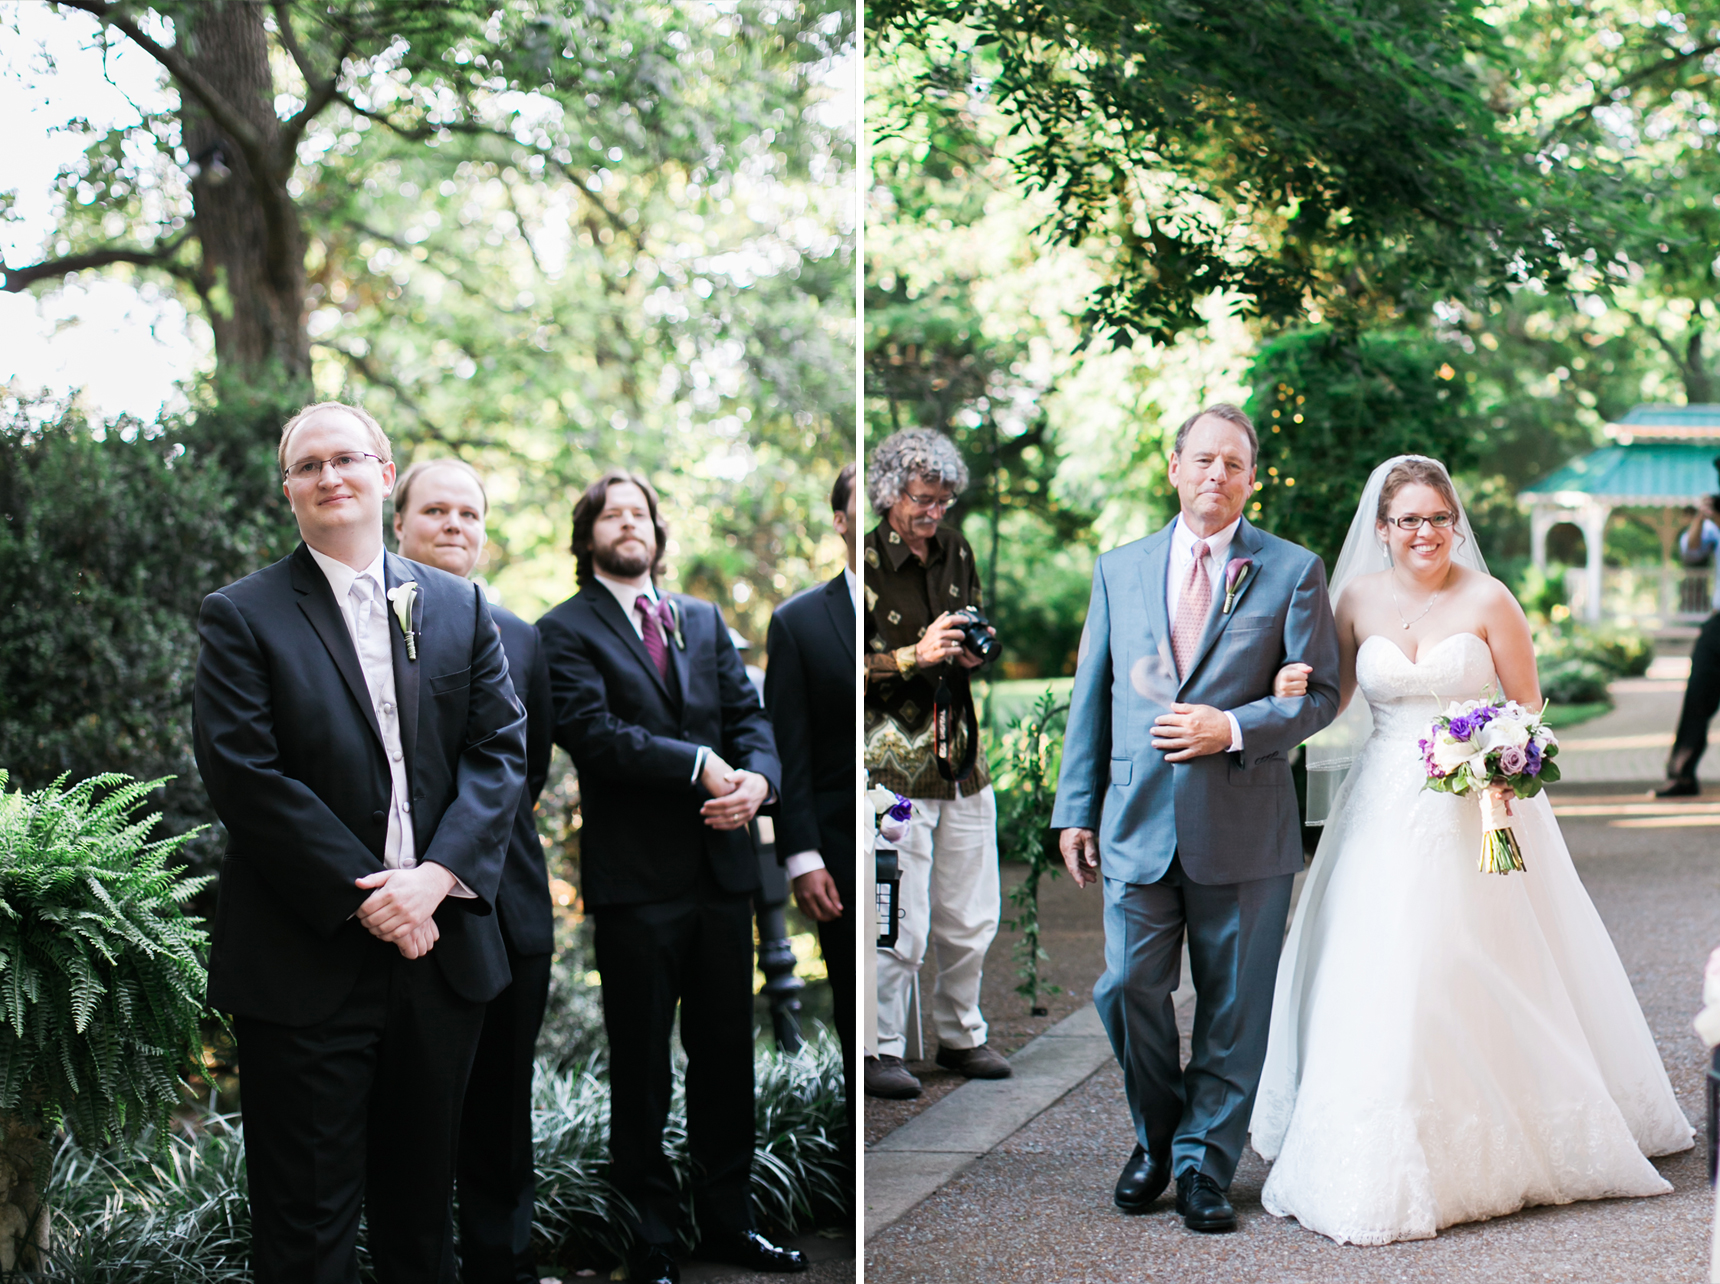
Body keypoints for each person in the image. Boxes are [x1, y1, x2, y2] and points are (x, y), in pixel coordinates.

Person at [1252, 454, 1693, 1246]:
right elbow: (1336, 700)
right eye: (1409, 520)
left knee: (1476, 957)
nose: (1426, 533)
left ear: (1457, 522)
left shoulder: (1490, 599)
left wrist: (1501, 753)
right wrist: (1288, 689)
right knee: (1377, 960)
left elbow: (1528, 708)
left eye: (1439, 518)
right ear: (1382, 530)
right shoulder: (1354, 599)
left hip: (1480, 811)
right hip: (1382, 808)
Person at [193, 402, 527, 1283]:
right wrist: (374, 894)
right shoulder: (241, 616)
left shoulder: (456, 605)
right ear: (290, 491)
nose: (329, 476)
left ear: (385, 474)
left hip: (441, 956)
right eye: (308, 466)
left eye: (347, 458)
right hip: (306, 964)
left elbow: (500, 752)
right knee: (307, 1234)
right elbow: (246, 777)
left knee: (424, 1225)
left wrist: (436, 880)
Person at [1051, 403, 1341, 1233]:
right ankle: (1158, 1134)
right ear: (1173, 467)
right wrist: (1075, 809)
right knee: (1126, 984)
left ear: (1252, 480)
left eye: (1235, 465)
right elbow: (1093, 695)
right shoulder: (1119, 568)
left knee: (1234, 1006)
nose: (1218, 475)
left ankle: (1205, 1166)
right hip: (1135, 818)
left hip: (1246, 824)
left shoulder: (1292, 570)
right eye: (1203, 460)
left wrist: (1236, 725)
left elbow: (1319, 694)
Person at [535, 471, 805, 1284]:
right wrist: (699, 765)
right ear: (589, 538)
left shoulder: (700, 618)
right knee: (642, 1070)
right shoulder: (563, 629)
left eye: (640, 514)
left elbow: (750, 717)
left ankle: (729, 1226)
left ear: (657, 531)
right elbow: (593, 734)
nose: (629, 524)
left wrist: (758, 783)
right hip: (636, 886)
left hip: (723, 879)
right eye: (612, 515)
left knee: (727, 1063)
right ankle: (649, 1243)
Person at [391, 458, 555, 1284]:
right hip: (404, 916)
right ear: (400, 526)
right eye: (436, 511)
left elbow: (530, 769)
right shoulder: (366, 627)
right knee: (420, 1126)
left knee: (502, 1109)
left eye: (470, 513)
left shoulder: (523, 635)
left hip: (509, 907)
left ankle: (507, 1266)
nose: (455, 525)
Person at [863, 428, 1010, 1100]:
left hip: (961, 750)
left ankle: (961, 1036)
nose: (934, 513)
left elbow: (974, 619)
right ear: (890, 494)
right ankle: (881, 1047)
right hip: (891, 760)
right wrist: (911, 656)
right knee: (898, 915)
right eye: (923, 500)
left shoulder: (956, 549)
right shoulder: (860, 561)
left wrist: (977, 648)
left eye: (944, 502)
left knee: (972, 910)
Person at [764, 461, 858, 1138]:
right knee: (854, 996)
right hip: (838, 841)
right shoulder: (798, 621)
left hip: (913, 814)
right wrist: (801, 855)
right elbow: (787, 750)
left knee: (915, 949)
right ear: (840, 520)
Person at [1658, 495, 1720, 797]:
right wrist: (1701, 517)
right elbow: (1690, 552)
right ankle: (1681, 775)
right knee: (1697, 694)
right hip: (1717, 622)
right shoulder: (1712, 524)